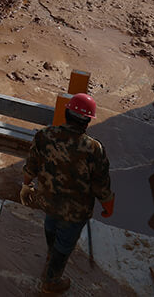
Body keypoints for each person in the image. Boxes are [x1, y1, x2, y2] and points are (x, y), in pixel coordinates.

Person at [21, 93, 114, 293]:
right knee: (65, 243)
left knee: (51, 224)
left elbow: (31, 166)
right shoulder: (94, 148)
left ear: (66, 113)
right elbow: (101, 185)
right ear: (88, 121)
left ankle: (50, 255)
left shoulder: (44, 135)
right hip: (75, 211)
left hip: (47, 200)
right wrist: (108, 206)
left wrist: (25, 185)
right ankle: (51, 281)